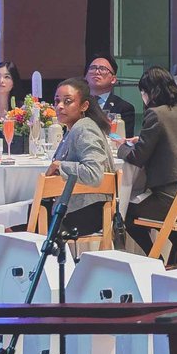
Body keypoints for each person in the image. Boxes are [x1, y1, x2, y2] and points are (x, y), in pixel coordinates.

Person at [124, 67, 177, 260]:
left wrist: (122, 149)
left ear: (150, 92)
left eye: (143, 92)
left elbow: (138, 157)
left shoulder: (156, 114)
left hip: (174, 200)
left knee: (127, 214)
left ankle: (155, 258)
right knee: (171, 224)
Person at [43, 77, 117, 238]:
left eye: (67, 101)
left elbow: (94, 173)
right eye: (57, 101)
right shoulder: (74, 128)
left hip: (85, 213)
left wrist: (60, 166)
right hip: (79, 209)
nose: (60, 106)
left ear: (84, 106)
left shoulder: (84, 128)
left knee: (6, 222)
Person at [83, 52, 136, 138]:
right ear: (85, 77)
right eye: (93, 68)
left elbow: (125, 141)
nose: (97, 72)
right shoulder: (77, 104)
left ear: (113, 79)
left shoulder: (124, 108)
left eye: (102, 69)